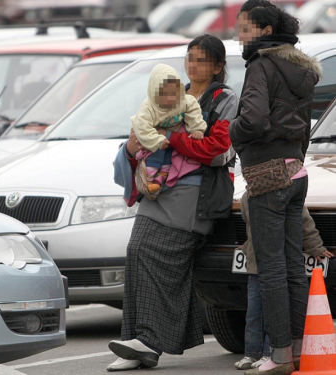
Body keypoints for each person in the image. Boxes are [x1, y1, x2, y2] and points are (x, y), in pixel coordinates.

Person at [109, 34, 238, 372]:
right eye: (189, 56)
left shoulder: (224, 99)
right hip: (158, 188)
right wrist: (131, 148)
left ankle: (148, 341)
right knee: (137, 250)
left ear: (219, 66)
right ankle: (136, 342)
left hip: (195, 195)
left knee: (165, 260)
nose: (193, 64)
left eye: (202, 59)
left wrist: (171, 139)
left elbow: (220, 152)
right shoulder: (168, 91)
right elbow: (141, 131)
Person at [229, 1, 322, 374]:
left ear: (266, 31)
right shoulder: (300, 68)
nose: (239, 34)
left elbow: (251, 120)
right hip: (296, 172)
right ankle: (297, 350)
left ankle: (280, 354)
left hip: (267, 174)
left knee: (269, 270)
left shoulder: (261, 65)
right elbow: (303, 128)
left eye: (245, 28)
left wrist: (230, 133)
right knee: (291, 267)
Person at [234, 192, 333, 371]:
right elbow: (250, 225)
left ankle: (268, 353)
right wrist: (249, 246)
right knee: (254, 313)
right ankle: (251, 352)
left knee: (275, 311)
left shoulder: (282, 193)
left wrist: (315, 247)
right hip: (256, 264)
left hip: (276, 265)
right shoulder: (247, 197)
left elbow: (304, 224)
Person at [131, 64, 206, 197]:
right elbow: (142, 127)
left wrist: (197, 129)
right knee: (154, 152)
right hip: (151, 133)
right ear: (154, 92)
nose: (170, 98)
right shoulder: (148, 108)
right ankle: (150, 178)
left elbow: (194, 110)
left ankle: (161, 177)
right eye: (164, 94)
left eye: (174, 93)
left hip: (171, 133)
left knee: (169, 156)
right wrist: (157, 140)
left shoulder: (185, 101)